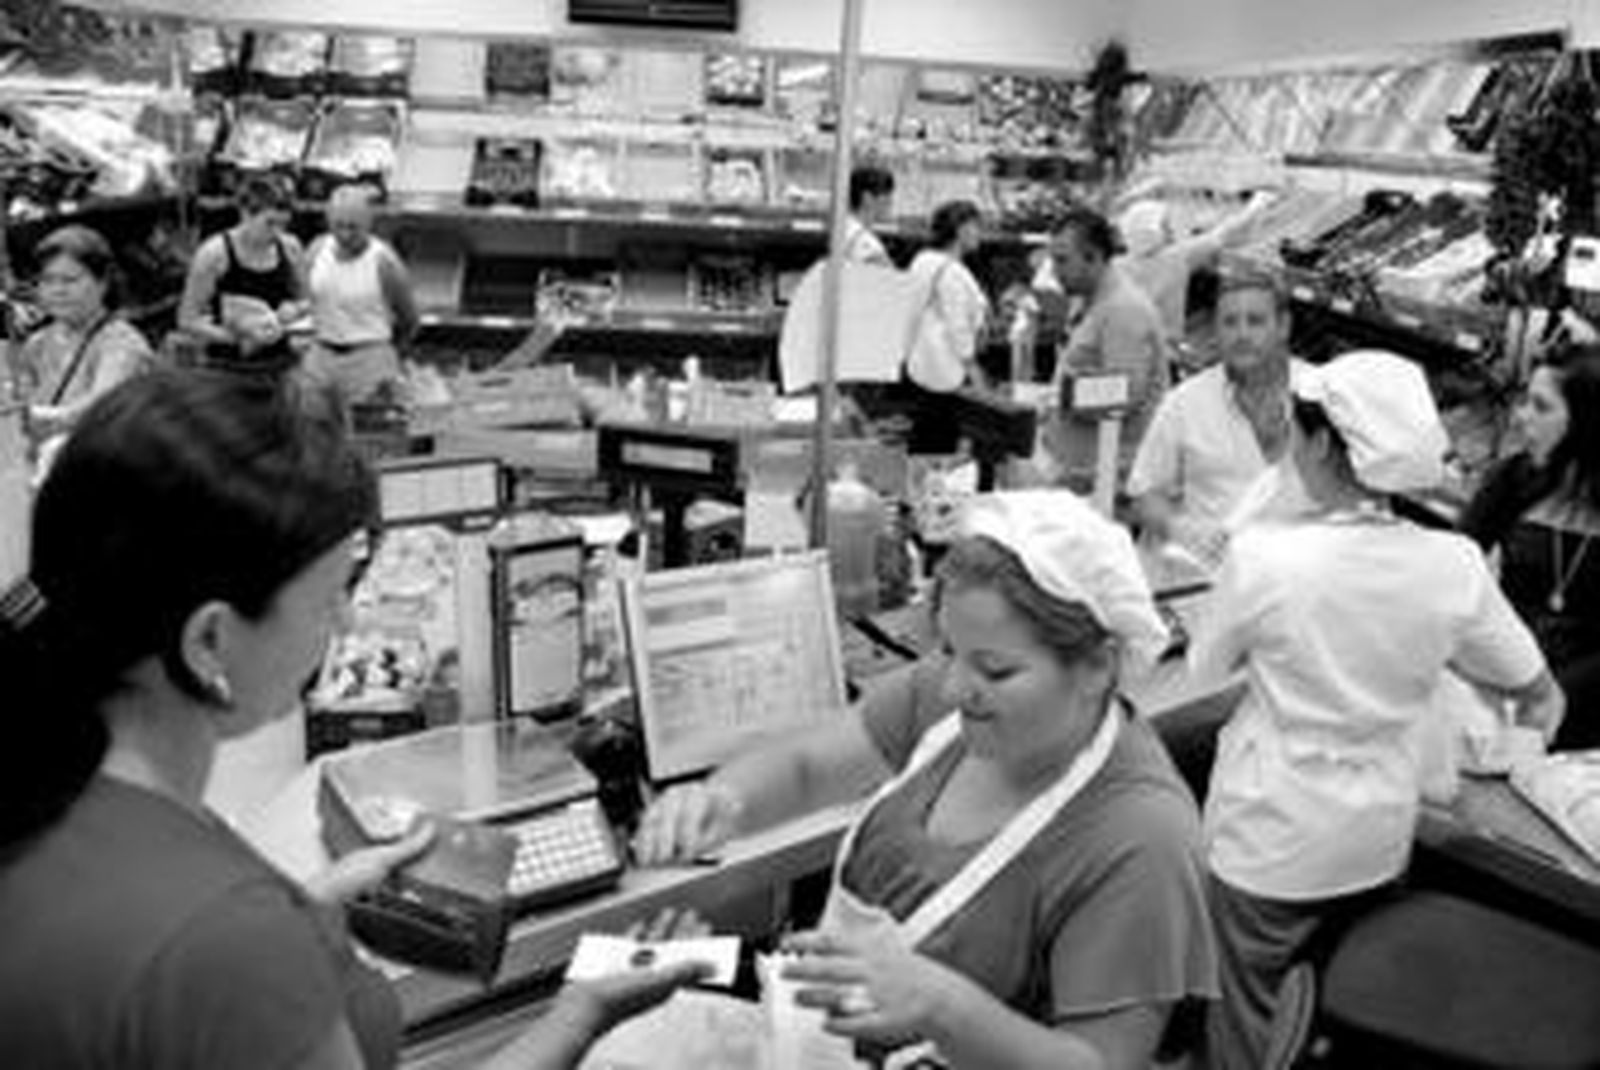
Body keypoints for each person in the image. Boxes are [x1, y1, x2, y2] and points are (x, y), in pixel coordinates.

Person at [0, 370, 709, 1069]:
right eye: (333, 593)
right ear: (209, 640)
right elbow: (201, 964)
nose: (347, 618)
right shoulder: (229, 946)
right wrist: (579, 1014)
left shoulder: (50, 786)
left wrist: (304, 907)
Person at [637, 491, 1217, 1069]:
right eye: (949, 651)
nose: (953, 688)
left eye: (995, 669)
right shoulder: (959, 699)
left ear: (1098, 665)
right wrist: (724, 799)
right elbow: (807, 767)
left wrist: (943, 1007)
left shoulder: (1140, 841)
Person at [1188, 349, 1566, 1070]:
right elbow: (1537, 689)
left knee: (1244, 1021)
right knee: (1320, 1015)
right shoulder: (1450, 563)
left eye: (1299, 433)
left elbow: (1207, 666)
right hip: (1376, 838)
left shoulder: (1267, 561)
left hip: (1272, 835)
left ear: (1325, 443)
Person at [1461, 343, 1600, 750]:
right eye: (1525, 401)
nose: (1521, 419)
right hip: (1500, 694)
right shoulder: (1514, 480)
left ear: (1589, 423)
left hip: (1587, 726)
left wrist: (1549, 693)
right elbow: (1453, 568)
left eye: (1541, 407)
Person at [1127, 268, 1311, 567]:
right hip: (1213, 581)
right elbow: (1143, 495)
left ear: (1283, 326)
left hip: (1302, 581)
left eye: (1256, 321)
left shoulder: (1325, 394)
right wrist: (1179, 527)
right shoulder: (1184, 403)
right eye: (1229, 322)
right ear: (1216, 331)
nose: (1242, 335)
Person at [1046, 207, 1168, 492]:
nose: (1054, 270)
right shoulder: (1094, 301)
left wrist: (1058, 397)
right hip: (1084, 469)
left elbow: (1123, 394)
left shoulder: (1123, 311)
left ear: (1094, 258)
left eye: (1062, 260)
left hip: (1105, 478)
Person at [13, 224, 153, 472]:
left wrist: (26, 417)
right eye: (47, 280)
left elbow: (96, 409)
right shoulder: (36, 344)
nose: (57, 290)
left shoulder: (122, 344)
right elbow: (20, 397)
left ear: (102, 283)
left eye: (70, 280)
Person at [178, 172, 309, 377]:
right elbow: (187, 320)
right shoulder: (214, 254)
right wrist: (239, 336)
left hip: (280, 363)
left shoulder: (290, 247)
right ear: (245, 214)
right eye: (270, 223)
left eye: (283, 225)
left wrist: (294, 310)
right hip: (227, 367)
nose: (276, 232)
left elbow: (308, 301)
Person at [305, 183, 420, 409]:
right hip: (321, 355)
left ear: (369, 223)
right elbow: (304, 299)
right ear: (328, 221)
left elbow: (410, 320)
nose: (345, 234)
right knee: (313, 428)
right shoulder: (316, 250)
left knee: (367, 434)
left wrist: (386, 353)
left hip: (369, 357)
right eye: (338, 226)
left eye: (353, 227)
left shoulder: (385, 262)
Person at [902, 200, 992, 454]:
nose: (979, 234)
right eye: (976, 226)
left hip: (921, 366)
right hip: (948, 372)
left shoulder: (921, 262)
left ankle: (920, 487)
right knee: (944, 443)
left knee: (924, 437)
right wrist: (972, 368)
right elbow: (958, 327)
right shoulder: (951, 271)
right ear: (961, 229)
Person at [843, 164, 895, 267]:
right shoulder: (869, 247)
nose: (891, 201)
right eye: (886, 195)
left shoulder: (841, 231)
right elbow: (889, 279)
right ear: (867, 198)